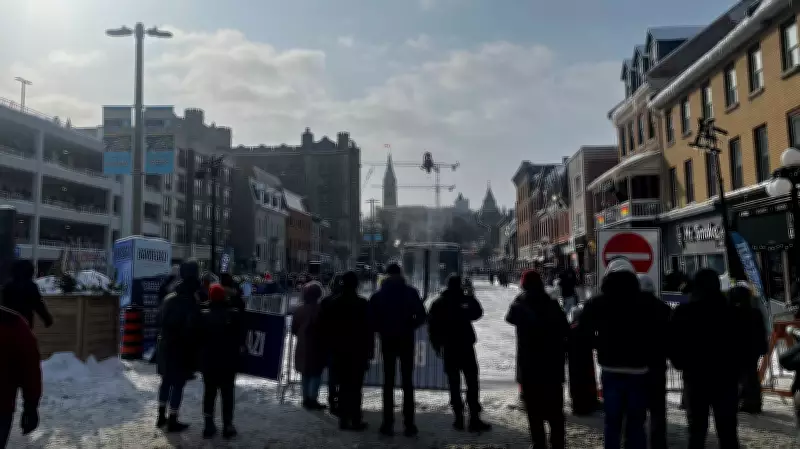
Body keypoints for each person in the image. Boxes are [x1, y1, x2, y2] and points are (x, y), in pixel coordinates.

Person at [578, 260, 664, 449]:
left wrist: (599, 344)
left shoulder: (598, 302)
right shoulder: (646, 302)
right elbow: (662, 329)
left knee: (612, 422)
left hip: (610, 368)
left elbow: (583, 331)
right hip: (639, 370)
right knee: (636, 423)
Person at [670, 268, 747, 449]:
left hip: (695, 378)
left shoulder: (684, 312)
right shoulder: (732, 313)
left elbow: (673, 344)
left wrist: (681, 364)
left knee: (696, 432)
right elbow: (743, 345)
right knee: (728, 432)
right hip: (726, 379)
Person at [506, 270, 568, 449]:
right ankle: (558, 443)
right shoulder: (552, 304)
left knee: (534, 411)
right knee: (556, 410)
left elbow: (509, 318)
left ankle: (538, 443)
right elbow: (565, 330)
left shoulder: (519, 304)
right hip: (552, 366)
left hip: (529, 367)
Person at [368, 263, 427, 437]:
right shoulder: (411, 292)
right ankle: (409, 424)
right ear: (401, 274)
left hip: (387, 340)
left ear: (386, 275)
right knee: (407, 382)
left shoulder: (378, 295)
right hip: (406, 339)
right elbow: (422, 316)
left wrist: (382, 329)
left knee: (388, 382)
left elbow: (371, 320)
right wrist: (410, 325)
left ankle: (388, 423)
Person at [428, 274, 491, 432]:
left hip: (449, 348)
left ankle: (458, 418)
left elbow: (432, 326)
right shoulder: (464, 300)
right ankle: (474, 419)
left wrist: (437, 345)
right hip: (465, 346)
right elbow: (477, 313)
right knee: (472, 383)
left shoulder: (439, 302)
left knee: (454, 383)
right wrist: (471, 297)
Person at [318, 271, 373, 431]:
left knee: (342, 385)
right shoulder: (362, 304)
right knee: (355, 387)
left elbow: (324, 328)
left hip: (338, 350)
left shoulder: (332, 304)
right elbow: (368, 329)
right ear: (356, 285)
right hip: (357, 351)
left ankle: (343, 419)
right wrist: (370, 350)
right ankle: (355, 419)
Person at [155, 260, 203, 432]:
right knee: (177, 384)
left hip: (165, 345)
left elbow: (158, 320)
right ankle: (173, 418)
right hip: (180, 348)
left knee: (166, 381)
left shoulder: (169, 299)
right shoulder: (191, 302)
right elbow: (194, 328)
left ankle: (161, 416)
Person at [198, 283, 244, 439]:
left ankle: (208, 425)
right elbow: (240, 338)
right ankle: (228, 425)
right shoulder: (234, 314)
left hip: (209, 362)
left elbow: (198, 339)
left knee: (209, 393)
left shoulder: (203, 315)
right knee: (227, 394)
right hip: (228, 362)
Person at [637, 273, 672, 449]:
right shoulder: (664, 309)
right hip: (657, 366)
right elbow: (671, 338)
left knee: (637, 411)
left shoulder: (630, 311)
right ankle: (659, 443)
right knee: (658, 410)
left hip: (636, 367)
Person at [0, 305, 42, 449]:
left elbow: (29, 367)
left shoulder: (13, 324)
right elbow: (30, 368)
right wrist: (31, 405)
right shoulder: (12, 323)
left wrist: (30, 405)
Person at [729, 285, 768, 414]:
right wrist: (763, 347)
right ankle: (753, 402)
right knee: (751, 376)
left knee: (737, 377)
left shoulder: (731, 312)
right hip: (752, 350)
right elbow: (762, 332)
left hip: (736, 350)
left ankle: (743, 401)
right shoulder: (755, 312)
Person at [291, 281, 327, 410]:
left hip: (302, 346)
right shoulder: (321, 310)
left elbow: (294, 329)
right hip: (317, 346)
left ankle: (305, 398)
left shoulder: (299, 310)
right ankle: (313, 399)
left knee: (305, 373)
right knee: (316, 374)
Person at [566, 302, 599, 417]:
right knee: (588, 381)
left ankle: (578, 406)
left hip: (573, 362)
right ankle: (589, 403)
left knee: (576, 383)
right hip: (586, 361)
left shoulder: (570, 329)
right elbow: (595, 343)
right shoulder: (587, 328)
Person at [1, 260, 53, 329]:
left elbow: (3, 305)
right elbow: (38, 305)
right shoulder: (31, 286)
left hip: (7, 322)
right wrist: (47, 319)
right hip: (25, 322)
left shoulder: (8, 286)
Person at [320, 273, 345, 415]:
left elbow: (321, 323)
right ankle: (341, 400)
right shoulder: (350, 301)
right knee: (343, 374)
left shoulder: (326, 301)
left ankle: (332, 400)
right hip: (346, 343)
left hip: (330, 342)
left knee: (333, 374)